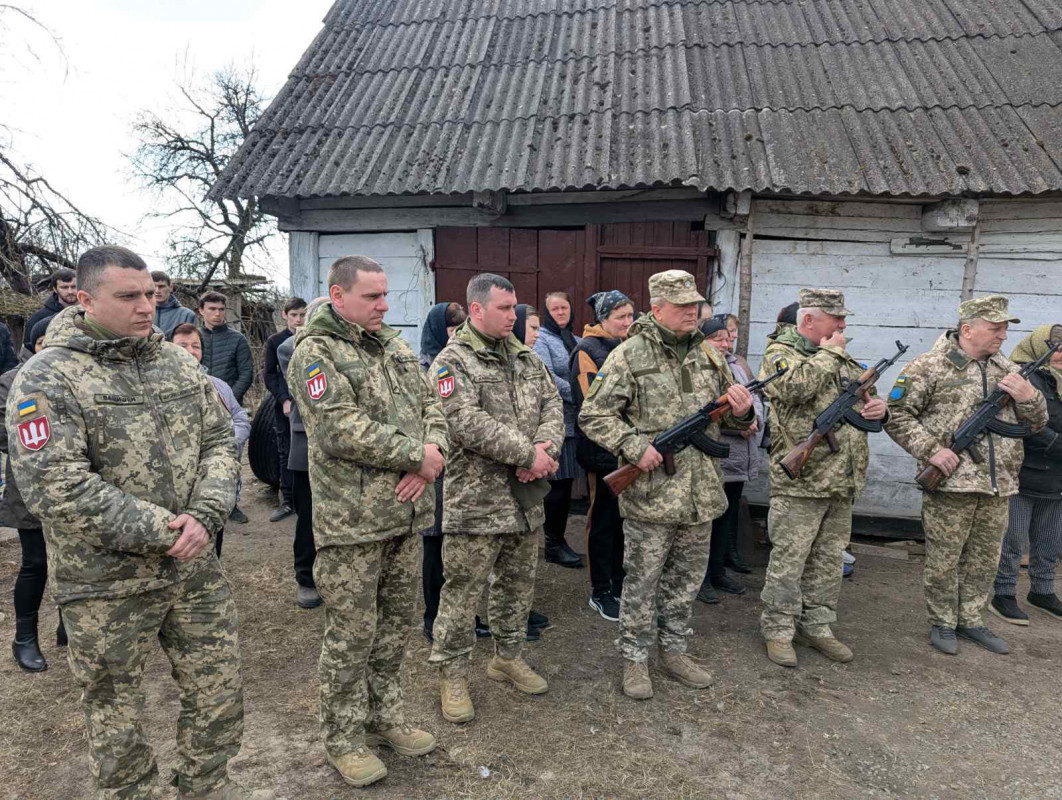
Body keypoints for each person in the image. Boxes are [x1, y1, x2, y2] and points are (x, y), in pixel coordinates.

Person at [5, 246, 273, 800]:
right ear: (85, 299)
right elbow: (56, 486)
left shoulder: (175, 361)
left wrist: (204, 516)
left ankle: (204, 787)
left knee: (219, 697)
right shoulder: (48, 378)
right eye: (128, 296)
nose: (146, 307)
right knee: (116, 719)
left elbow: (220, 440)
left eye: (150, 294)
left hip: (194, 572)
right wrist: (168, 530)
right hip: (106, 582)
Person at [291, 256, 449, 788]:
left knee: (396, 627)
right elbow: (338, 428)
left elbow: (435, 409)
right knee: (351, 634)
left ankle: (386, 717)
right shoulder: (315, 352)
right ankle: (343, 737)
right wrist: (415, 456)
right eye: (371, 297)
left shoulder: (396, 346)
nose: (384, 305)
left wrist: (432, 459)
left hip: (405, 514)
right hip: (353, 522)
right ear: (338, 296)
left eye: (385, 295)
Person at [579, 270, 753, 700]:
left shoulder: (709, 356)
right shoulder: (628, 356)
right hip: (652, 495)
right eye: (682, 307)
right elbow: (593, 415)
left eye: (695, 305)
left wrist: (744, 412)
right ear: (656, 309)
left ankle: (674, 651)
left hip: (701, 495)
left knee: (685, 583)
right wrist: (633, 446)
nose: (692, 312)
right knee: (641, 583)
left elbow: (730, 418)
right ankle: (635, 658)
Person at [428, 273, 563, 724]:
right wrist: (528, 453)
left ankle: (507, 656)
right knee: (462, 592)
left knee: (518, 585)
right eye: (505, 309)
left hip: (525, 500)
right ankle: (451, 674)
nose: (514, 315)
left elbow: (553, 405)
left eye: (515, 307)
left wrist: (545, 451)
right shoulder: (452, 362)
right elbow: (463, 420)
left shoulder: (526, 357)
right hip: (477, 502)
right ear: (477, 309)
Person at [886, 296, 1047, 655]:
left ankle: (972, 619)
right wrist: (931, 450)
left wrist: (1030, 397)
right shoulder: (928, 366)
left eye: (1006, 328)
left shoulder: (1009, 370)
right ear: (968, 329)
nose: (1003, 335)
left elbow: (1036, 424)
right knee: (945, 559)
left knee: (985, 559)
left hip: (998, 484)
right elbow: (896, 415)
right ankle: (943, 622)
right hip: (951, 484)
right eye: (996, 328)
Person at [758, 289, 887, 668]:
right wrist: (831, 353)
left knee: (830, 561)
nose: (844, 326)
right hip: (801, 482)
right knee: (789, 561)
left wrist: (880, 409)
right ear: (809, 320)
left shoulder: (843, 357)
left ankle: (818, 626)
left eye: (844, 319)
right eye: (836, 319)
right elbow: (794, 389)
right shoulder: (780, 354)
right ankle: (779, 630)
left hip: (841, 480)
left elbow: (867, 397)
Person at [418, 301, 490, 641]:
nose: (456, 336)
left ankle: (465, 614)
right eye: (450, 329)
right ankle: (433, 616)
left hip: (465, 470)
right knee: (435, 546)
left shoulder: (466, 361)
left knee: (462, 550)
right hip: (437, 467)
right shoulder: (423, 367)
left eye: (460, 329)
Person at [570, 290, 635, 622]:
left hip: (631, 452)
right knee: (602, 522)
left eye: (630, 315)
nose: (627, 322)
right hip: (602, 453)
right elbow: (590, 404)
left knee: (625, 523)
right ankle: (600, 590)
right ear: (603, 318)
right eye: (620, 316)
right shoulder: (588, 350)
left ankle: (621, 581)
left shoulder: (629, 348)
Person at [991, 324, 1062, 625]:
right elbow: (1024, 421)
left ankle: (1042, 591)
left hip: (1057, 478)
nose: (1060, 354)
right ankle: (1003, 593)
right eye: (1055, 347)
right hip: (1024, 473)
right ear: (1038, 346)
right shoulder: (1024, 376)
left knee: (1049, 541)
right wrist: (1056, 444)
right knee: (1013, 540)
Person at [1, 336, 65, 671]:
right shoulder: (12, 381)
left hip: (77, 486)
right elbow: (2, 431)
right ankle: (24, 638)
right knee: (36, 562)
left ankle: (69, 628)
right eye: (46, 341)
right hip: (30, 485)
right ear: (35, 344)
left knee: (74, 560)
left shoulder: (74, 374)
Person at [697, 316, 765, 604]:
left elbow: (755, 397)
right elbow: (703, 414)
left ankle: (718, 571)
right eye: (718, 338)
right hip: (719, 454)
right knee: (708, 523)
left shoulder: (736, 364)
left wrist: (753, 419)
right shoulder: (702, 366)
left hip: (740, 457)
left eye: (728, 338)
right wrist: (737, 423)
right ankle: (701, 579)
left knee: (726, 519)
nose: (725, 343)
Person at [169, 323, 251, 558]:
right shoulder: (154, 389)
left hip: (211, 479)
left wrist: (224, 445)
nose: (190, 351)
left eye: (196, 346)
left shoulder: (218, 386)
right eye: (182, 345)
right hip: (176, 484)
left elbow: (240, 419)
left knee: (212, 538)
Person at [277, 298, 327, 610]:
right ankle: (305, 577)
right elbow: (309, 390)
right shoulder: (289, 348)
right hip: (307, 443)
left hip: (345, 446)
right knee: (308, 514)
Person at [533, 291, 585, 569]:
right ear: (546, 312)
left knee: (567, 485)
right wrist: (577, 392)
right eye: (554, 309)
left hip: (577, 422)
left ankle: (559, 538)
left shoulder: (576, 341)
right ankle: (552, 543)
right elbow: (547, 377)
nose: (560, 313)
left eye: (564, 307)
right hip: (557, 421)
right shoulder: (541, 339)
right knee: (558, 485)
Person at [264, 297, 308, 523]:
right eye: (294, 315)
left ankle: (304, 501)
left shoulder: (310, 340)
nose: (298, 320)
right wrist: (283, 399)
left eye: (302, 315)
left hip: (304, 408)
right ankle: (287, 500)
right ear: (285, 315)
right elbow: (270, 375)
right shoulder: (276, 342)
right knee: (285, 452)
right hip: (284, 406)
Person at [199, 290, 254, 406]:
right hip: (199, 403)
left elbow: (246, 374)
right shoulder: (194, 338)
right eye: (212, 309)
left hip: (229, 404)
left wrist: (228, 398)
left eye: (221, 309)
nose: (217, 313)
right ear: (201, 310)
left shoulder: (237, 339)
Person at [25, 267, 77, 341]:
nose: (70, 291)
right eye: (64, 287)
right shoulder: (38, 318)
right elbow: (28, 349)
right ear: (55, 289)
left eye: (74, 287)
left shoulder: (91, 312)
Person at [152, 270, 198, 335]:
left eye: (161, 286)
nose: (157, 291)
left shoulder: (187, 315)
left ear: (170, 287)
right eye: (153, 286)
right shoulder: (139, 314)